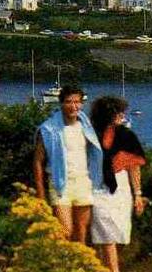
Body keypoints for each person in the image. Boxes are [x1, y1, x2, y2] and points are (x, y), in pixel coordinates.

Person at [89, 95, 147, 272]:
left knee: (120, 233)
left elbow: (134, 167)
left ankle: (104, 270)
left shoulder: (127, 136)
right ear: (108, 114)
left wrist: (138, 194)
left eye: (122, 111)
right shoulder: (91, 134)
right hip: (97, 187)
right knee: (106, 234)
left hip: (121, 186)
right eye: (117, 112)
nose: (122, 115)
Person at [33, 85, 104, 244]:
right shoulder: (48, 129)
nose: (73, 106)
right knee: (65, 231)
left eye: (77, 102)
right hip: (59, 185)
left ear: (82, 103)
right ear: (61, 103)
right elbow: (38, 161)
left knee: (81, 231)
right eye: (68, 102)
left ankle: (79, 267)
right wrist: (40, 193)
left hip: (83, 182)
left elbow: (96, 154)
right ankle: (61, 265)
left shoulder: (86, 127)